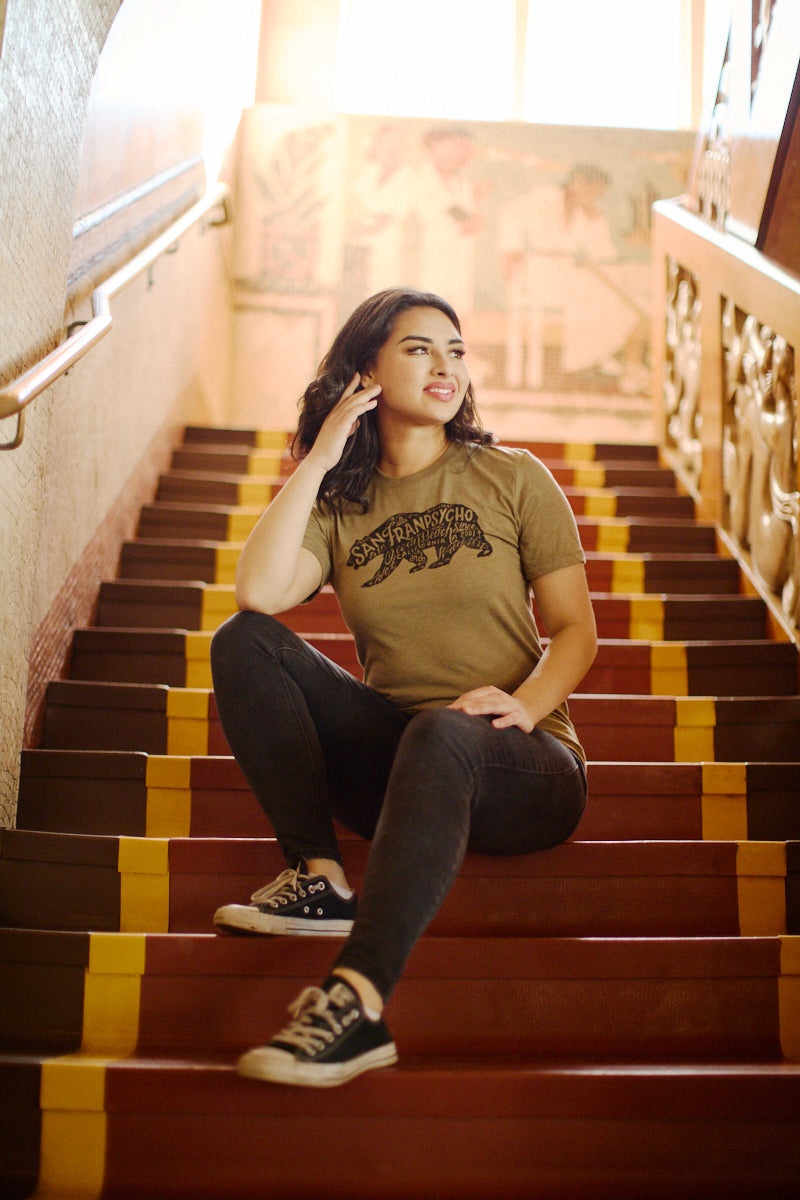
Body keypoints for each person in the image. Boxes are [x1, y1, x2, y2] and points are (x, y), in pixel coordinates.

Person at [209, 287, 597, 1088]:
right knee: (244, 641)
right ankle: (318, 877)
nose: (445, 365)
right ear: (367, 371)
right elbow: (259, 591)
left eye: (455, 350)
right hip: (404, 760)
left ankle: (356, 1004)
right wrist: (319, 459)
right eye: (419, 348)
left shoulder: (513, 477)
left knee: (444, 731)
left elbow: (575, 630)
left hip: (524, 763)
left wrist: (525, 705)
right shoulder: (342, 505)